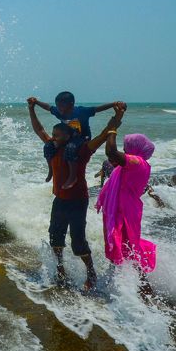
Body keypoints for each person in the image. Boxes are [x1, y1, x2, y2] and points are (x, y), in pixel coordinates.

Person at [28, 97, 125, 292]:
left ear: (69, 135)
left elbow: (104, 134)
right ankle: (61, 269)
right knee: (55, 237)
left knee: (78, 241)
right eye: (53, 135)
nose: (53, 138)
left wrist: (118, 115)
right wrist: (32, 109)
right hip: (59, 200)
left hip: (78, 201)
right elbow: (39, 130)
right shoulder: (53, 148)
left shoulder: (82, 150)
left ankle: (91, 272)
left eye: (57, 135)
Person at [95, 124, 159, 296]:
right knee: (123, 246)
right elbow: (113, 158)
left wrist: (112, 129)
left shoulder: (138, 163)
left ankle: (142, 287)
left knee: (126, 245)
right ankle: (128, 286)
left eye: (127, 147)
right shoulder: (135, 164)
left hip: (126, 211)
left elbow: (111, 153)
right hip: (123, 209)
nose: (124, 150)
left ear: (136, 148)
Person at [33, 92, 126, 189]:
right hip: (69, 136)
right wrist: (36, 102)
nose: (60, 110)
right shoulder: (58, 111)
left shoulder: (82, 111)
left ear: (71, 104)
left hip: (83, 138)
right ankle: (50, 170)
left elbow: (97, 109)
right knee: (48, 146)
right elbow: (48, 107)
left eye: (62, 106)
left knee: (71, 147)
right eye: (58, 106)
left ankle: (73, 177)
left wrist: (114, 104)